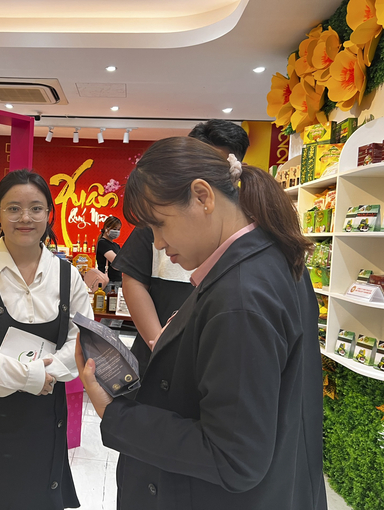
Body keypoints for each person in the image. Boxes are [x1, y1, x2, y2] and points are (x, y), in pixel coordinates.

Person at [76, 137, 326, 510]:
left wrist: (115, 414)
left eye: (159, 225)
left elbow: (234, 457)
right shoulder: (267, 258)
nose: (157, 244)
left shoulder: (242, 295)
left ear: (202, 196)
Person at [0, 169, 93, 510]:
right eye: (13, 208)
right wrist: (32, 376)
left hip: (43, 416)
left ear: (49, 214)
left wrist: (49, 374)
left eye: (36, 208)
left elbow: (83, 339)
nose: (26, 218)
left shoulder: (67, 275)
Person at [113, 119, 250, 377]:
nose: (159, 243)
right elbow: (133, 278)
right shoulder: (165, 213)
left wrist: (116, 415)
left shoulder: (244, 286)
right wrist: (159, 342)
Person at [95, 216, 123, 284]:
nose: (116, 231)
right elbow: (116, 262)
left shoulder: (116, 245)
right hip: (108, 282)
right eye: (114, 229)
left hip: (118, 281)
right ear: (106, 228)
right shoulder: (102, 243)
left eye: (118, 229)